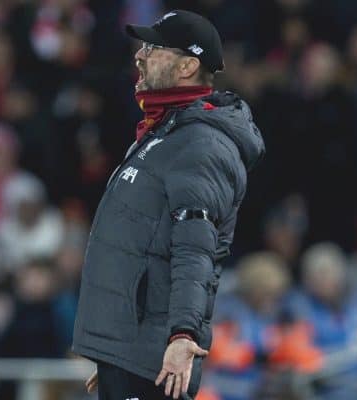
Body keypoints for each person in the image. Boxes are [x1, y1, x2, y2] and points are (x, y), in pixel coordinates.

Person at [71, 10, 265, 400]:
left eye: (154, 48)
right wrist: (114, 351)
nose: (139, 56)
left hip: (155, 357)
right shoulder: (167, 132)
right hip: (132, 351)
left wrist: (182, 336)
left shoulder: (202, 144)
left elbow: (195, 248)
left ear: (188, 65)